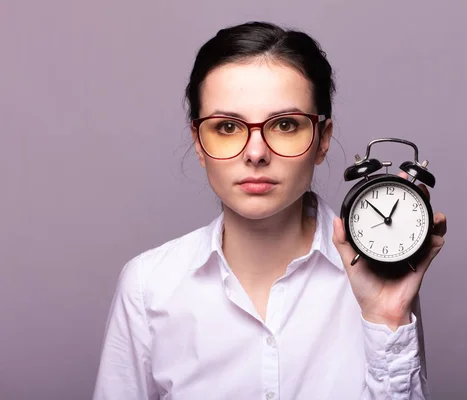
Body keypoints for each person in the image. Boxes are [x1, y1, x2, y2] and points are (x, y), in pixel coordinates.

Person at [92, 21, 447, 400]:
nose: (256, 153)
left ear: (322, 140)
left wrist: (387, 319)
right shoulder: (149, 287)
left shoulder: (378, 271)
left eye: (285, 124)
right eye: (227, 126)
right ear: (198, 142)